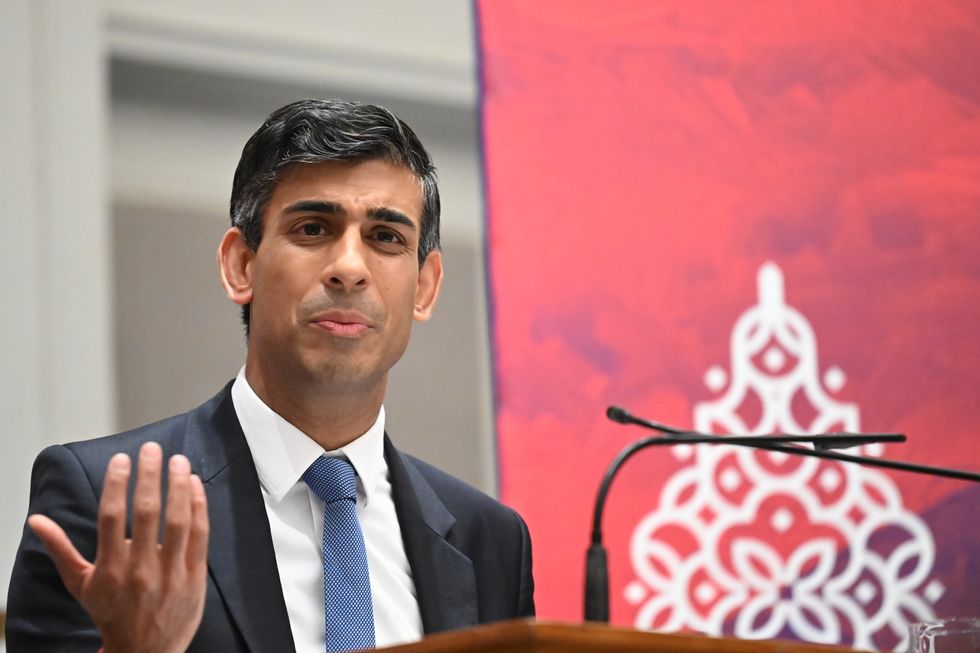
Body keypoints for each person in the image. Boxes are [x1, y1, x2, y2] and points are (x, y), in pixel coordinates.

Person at [5, 99, 535, 652]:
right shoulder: (105, 503)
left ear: (424, 286)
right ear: (241, 265)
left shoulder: (490, 543)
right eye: (313, 228)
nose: (350, 268)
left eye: (385, 238)